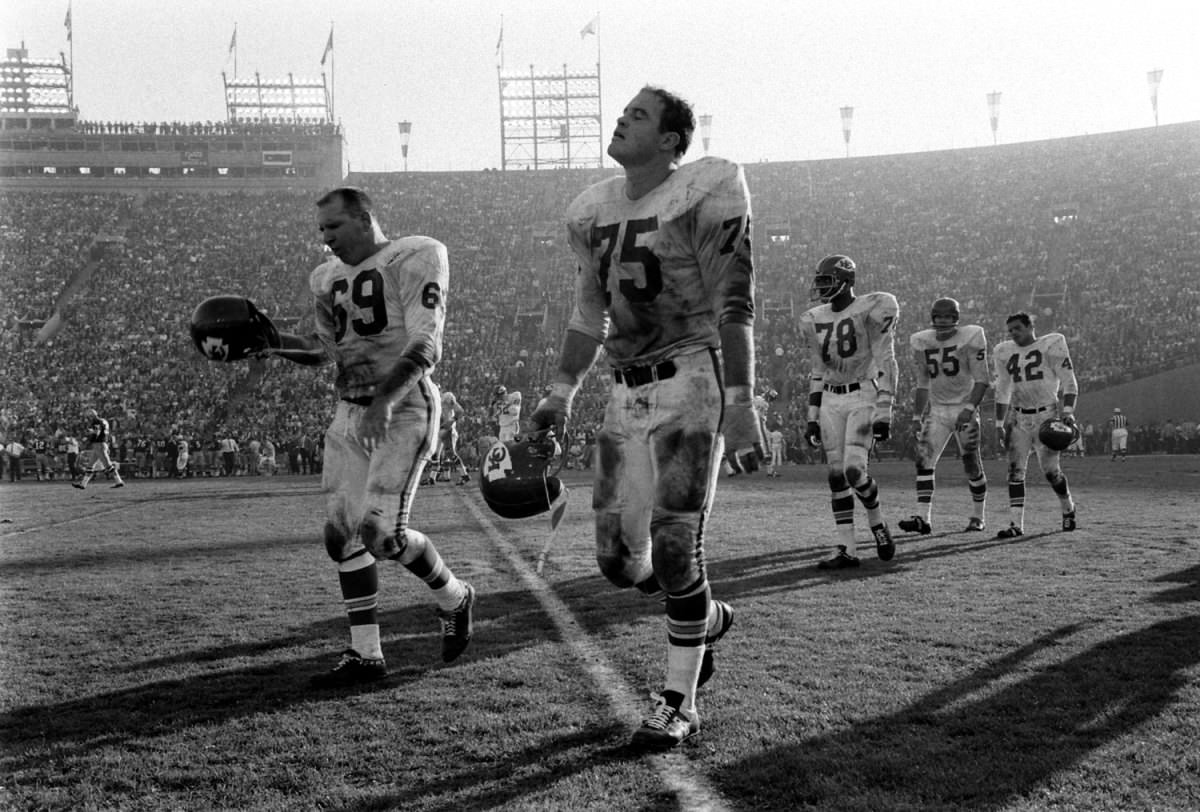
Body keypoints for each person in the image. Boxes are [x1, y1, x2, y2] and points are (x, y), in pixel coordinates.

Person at [529, 86, 760, 750]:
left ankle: (677, 704)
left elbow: (734, 299)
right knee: (614, 562)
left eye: (639, 114)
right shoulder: (591, 209)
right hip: (624, 389)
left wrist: (742, 403)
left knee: (675, 545)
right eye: (624, 111)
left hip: (692, 379)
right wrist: (560, 391)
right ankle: (707, 617)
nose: (622, 119)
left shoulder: (708, 186)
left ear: (670, 140)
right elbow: (587, 312)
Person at [268, 186, 475, 687]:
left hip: (401, 406)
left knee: (383, 536)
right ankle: (366, 653)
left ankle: (455, 596)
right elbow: (322, 350)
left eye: (333, 227)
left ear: (364, 219)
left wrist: (384, 399)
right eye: (320, 230)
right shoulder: (326, 278)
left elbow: (427, 341)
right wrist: (273, 343)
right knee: (340, 536)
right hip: (350, 410)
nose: (326, 240)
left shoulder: (417, 254)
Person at [799, 254, 899, 570]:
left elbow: (886, 360)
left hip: (863, 393)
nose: (822, 287)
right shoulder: (813, 318)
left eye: (828, 280)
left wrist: (885, 409)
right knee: (835, 476)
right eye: (820, 281)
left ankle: (878, 522)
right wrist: (812, 416)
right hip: (830, 398)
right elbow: (817, 370)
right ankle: (847, 549)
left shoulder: (873, 308)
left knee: (855, 472)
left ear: (848, 280)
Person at [898, 297, 991, 535]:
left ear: (955, 319)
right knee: (924, 462)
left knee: (971, 464)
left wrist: (970, 409)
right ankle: (922, 518)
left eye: (948, 317)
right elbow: (922, 383)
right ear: (932, 318)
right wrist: (917, 416)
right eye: (938, 317)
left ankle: (978, 516)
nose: (942, 321)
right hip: (938, 409)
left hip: (963, 407)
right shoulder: (922, 341)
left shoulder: (971, 336)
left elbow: (982, 380)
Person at [991, 311, 1078, 537]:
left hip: (1046, 416)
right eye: (1010, 330)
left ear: (1030, 327)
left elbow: (1070, 382)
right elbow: (1002, 389)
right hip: (1018, 417)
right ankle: (1015, 524)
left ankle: (1068, 508)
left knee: (1051, 471)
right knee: (1014, 471)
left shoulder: (1051, 344)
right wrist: (1000, 422)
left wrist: (1068, 412)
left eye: (1017, 328)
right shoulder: (1003, 351)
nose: (1013, 334)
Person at [72, 408, 125, 489]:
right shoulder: (103, 420)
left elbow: (97, 432)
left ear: (91, 416)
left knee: (108, 465)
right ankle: (83, 484)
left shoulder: (96, 421)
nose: (88, 418)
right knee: (90, 466)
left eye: (88, 416)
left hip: (99, 445)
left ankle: (119, 481)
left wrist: (89, 432)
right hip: (101, 444)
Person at [437, 390, 471, 484]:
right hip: (442, 430)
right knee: (446, 455)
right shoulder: (435, 400)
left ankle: (464, 475)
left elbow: (460, 411)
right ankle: (446, 476)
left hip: (448, 430)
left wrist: (452, 420)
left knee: (451, 454)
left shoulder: (447, 397)